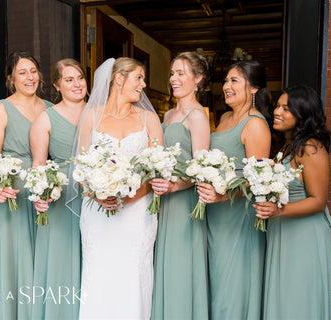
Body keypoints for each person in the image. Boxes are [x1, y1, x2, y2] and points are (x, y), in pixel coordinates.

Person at [74, 57, 163, 319]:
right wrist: (97, 194)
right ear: (119, 79)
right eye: (139, 78)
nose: (143, 84)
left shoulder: (149, 119)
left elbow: (157, 170)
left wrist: (133, 194)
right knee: (99, 273)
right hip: (98, 214)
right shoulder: (90, 116)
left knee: (134, 275)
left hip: (138, 215)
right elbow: (81, 169)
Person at [197, 60, 272, 319]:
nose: (226, 86)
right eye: (226, 81)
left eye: (234, 81)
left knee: (232, 282)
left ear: (254, 88)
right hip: (215, 214)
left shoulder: (255, 124)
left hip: (237, 215)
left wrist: (223, 194)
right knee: (215, 279)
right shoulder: (225, 118)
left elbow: (257, 181)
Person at [254, 85, 331, 319]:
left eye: (286, 108)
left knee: (297, 299)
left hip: (304, 237)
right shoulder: (289, 146)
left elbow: (318, 201)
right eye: (277, 106)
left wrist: (278, 211)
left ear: (303, 114)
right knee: (284, 298)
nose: (277, 112)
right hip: (283, 233)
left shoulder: (311, 149)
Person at [0, 51, 53, 319]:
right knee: (14, 259)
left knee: (41, 255)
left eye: (33, 71)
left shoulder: (49, 107)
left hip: (45, 192)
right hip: (12, 192)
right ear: (11, 78)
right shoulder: (1, 109)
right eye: (22, 72)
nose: (29, 77)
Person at [150, 51, 210, 320]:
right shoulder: (169, 114)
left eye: (181, 73)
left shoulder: (197, 116)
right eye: (172, 73)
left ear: (197, 79)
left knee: (179, 265)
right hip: (163, 201)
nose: (173, 78)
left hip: (183, 203)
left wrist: (175, 186)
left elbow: (201, 169)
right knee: (163, 263)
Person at [30, 58, 87, 319]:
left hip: (98, 194)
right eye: (69, 79)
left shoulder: (100, 112)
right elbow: (39, 165)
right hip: (61, 195)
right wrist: (40, 196)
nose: (77, 84)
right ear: (56, 85)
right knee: (62, 260)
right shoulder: (46, 118)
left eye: (80, 78)